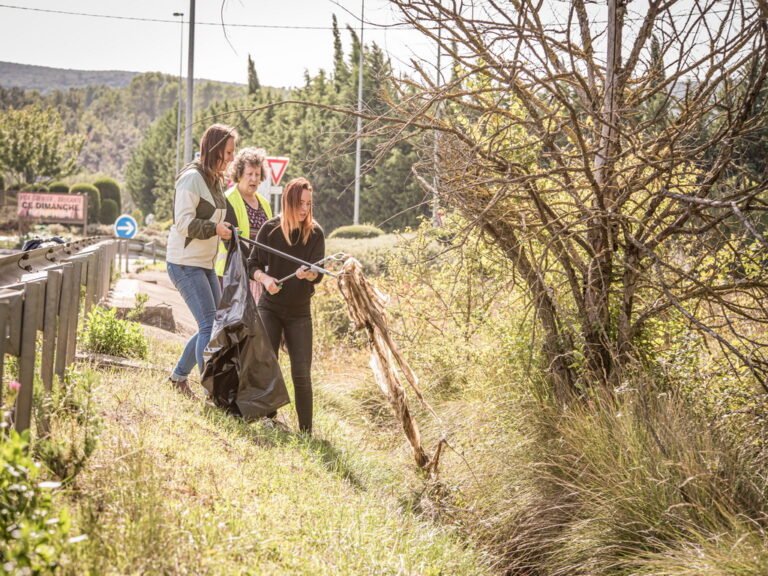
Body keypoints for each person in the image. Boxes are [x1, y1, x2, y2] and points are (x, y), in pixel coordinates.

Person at [247, 177, 325, 433]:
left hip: (299, 311)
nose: (304, 209)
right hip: (270, 306)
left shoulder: (315, 233)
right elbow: (252, 265)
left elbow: (319, 273)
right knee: (267, 363)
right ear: (288, 201)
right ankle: (268, 419)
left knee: (301, 373)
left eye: (308, 204)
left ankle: (306, 432)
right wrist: (265, 278)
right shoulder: (269, 230)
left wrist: (309, 274)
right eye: (300, 203)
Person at [166, 123, 237, 397]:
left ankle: (178, 377)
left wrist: (228, 230)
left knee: (214, 324)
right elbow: (183, 223)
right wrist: (214, 230)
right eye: (228, 152)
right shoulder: (191, 178)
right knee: (209, 323)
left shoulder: (215, 179)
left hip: (205, 263)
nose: (231, 158)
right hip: (184, 263)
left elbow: (216, 219)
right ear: (216, 149)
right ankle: (212, 390)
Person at [214, 147, 273, 302]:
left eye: (257, 174)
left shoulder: (265, 204)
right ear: (239, 175)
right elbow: (233, 243)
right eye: (249, 174)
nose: (254, 179)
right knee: (232, 325)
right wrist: (257, 271)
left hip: (256, 278)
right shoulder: (228, 199)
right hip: (231, 276)